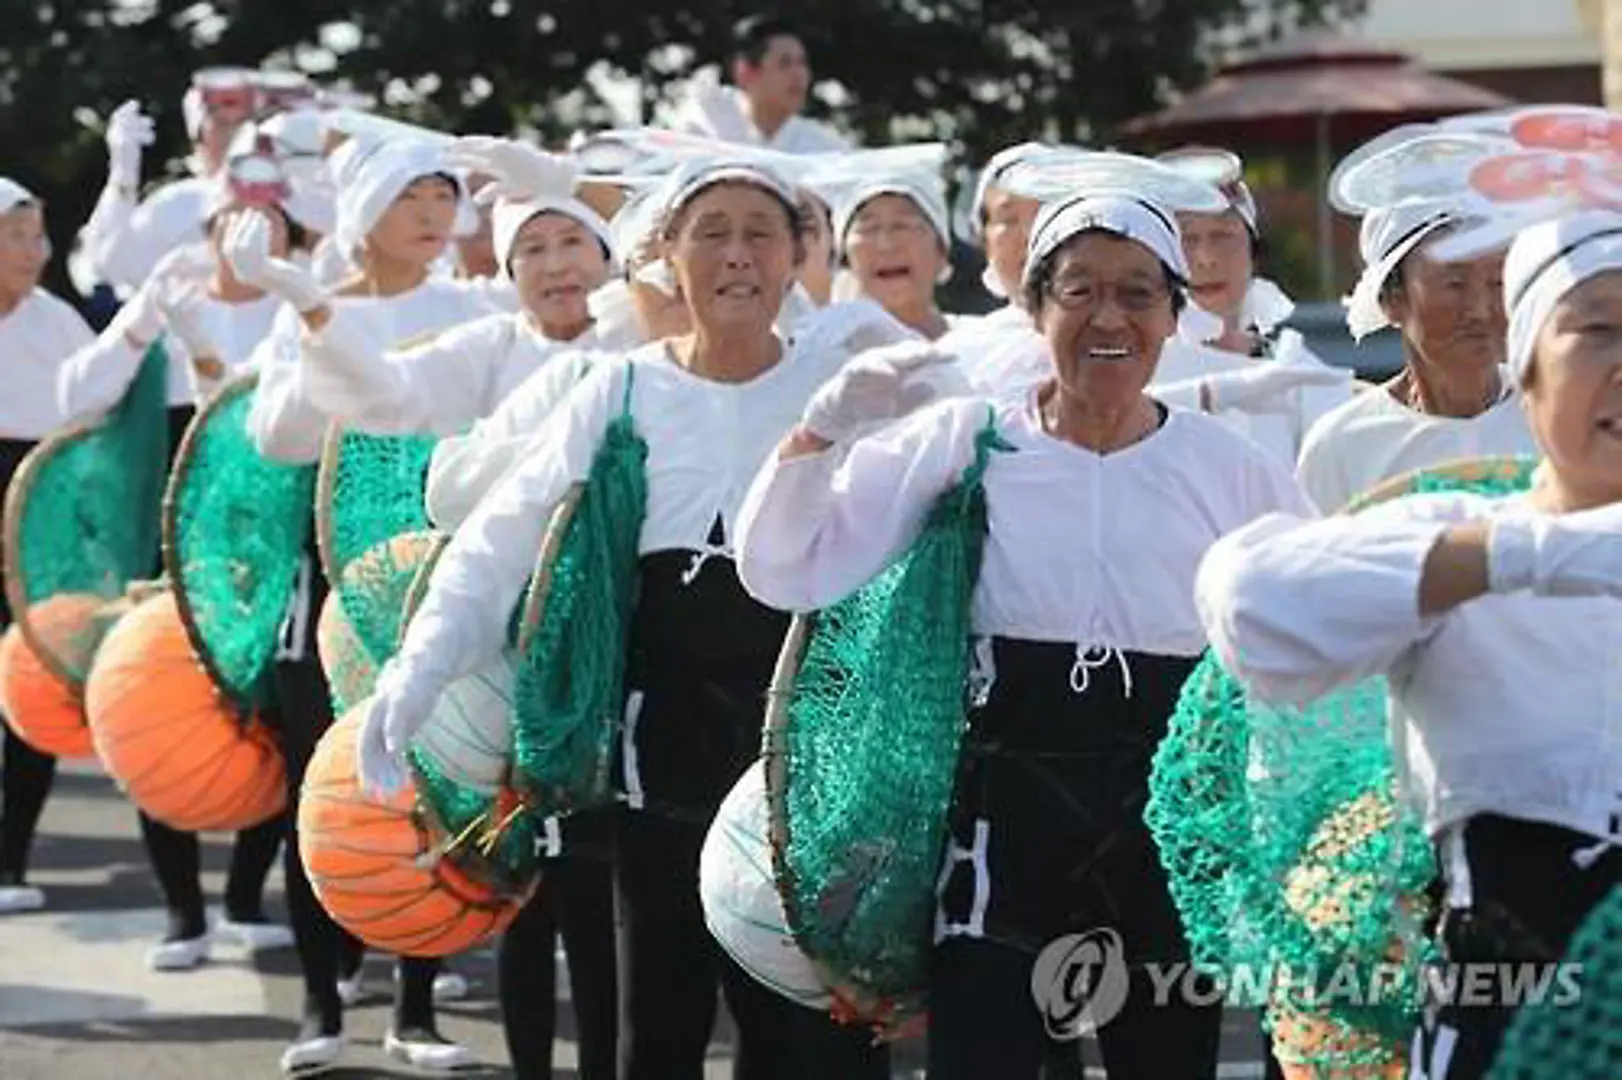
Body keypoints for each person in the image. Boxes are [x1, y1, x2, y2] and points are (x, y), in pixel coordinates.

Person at [732, 185, 1311, 1078]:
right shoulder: (970, 441)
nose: (1107, 316)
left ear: (1174, 318)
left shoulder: (1231, 470)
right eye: (1078, 290)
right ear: (1035, 307)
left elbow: (1315, 636)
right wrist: (821, 429)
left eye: (1137, 293)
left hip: (1167, 828)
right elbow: (784, 564)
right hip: (1005, 822)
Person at [356, 157, 897, 1080]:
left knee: (809, 1037)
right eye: (710, 233)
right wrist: (415, 677)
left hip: (811, 756)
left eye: (760, 233)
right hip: (665, 751)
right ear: (662, 261)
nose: (736, 256)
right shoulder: (624, 389)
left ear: (799, 254)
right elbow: (499, 538)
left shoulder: (844, 382)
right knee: (661, 1022)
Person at [1195, 206, 1622, 1080]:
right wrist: (1535, 552)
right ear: (1528, 372)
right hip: (1511, 1021)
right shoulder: (1464, 533)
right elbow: (1250, 608)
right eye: (1601, 329)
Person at [229, 136, 498, 1076]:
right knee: (326, 778)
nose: (435, 211)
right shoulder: (314, 305)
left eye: (444, 193)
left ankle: (415, 1008)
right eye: (411, 194)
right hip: (332, 575)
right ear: (364, 210)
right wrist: (316, 328)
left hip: (439, 571)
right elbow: (274, 437)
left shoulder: (474, 306)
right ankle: (319, 1003)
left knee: (430, 776)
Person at [56, 165, 312, 971]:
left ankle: (242, 895)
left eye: (269, 215)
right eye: (232, 214)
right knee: (152, 708)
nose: (248, 228)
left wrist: (209, 355)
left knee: (274, 720)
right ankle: (181, 913)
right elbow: (75, 394)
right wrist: (144, 325)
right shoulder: (170, 297)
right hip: (171, 547)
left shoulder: (300, 309)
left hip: (272, 549)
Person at [1296, 201, 1536, 511]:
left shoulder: (1559, 417)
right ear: (1393, 299)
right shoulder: (1341, 445)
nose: (1479, 309)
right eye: (1455, 284)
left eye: (1497, 282)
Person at [0, 178, 94, 915]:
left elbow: (98, 415)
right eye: (18, 235)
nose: (34, 251)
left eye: (39, 236)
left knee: (28, 682)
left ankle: (12, 861)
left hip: (36, 514)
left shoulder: (59, 322)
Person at [76, 68, 258, 296]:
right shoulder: (177, 203)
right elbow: (112, 265)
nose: (235, 135)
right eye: (221, 124)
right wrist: (123, 175)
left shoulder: (288, 197)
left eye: (242, 123)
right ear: (198, 139)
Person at [672, 14, 850, 154]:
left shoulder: (823, 146)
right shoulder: (707, 122)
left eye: (802, 63)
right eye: (785, 63)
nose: (799, 75)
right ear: (745, 72)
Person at [835, 172, 955, 340]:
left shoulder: (986, 348)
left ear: (941, 252)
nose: (886, 244)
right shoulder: (819, 353)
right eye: (868, 228)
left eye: (903, 226)